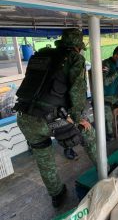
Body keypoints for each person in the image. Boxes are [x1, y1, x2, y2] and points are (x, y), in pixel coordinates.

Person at [13, 28, 98, 208]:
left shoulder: (41, 55)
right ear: (77, 47)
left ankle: (57, 194)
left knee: (44, 159)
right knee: (88, 134)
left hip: (24, 117)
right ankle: (104, 169)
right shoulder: (76, 59)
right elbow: (77, 91)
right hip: (50, 119)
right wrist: (78, 118)